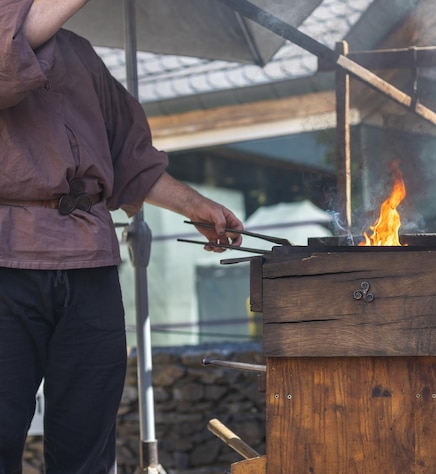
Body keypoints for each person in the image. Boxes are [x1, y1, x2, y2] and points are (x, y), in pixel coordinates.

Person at [0, 1, 244, 472]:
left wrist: (196, 206)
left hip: (89, 266)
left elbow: (131, 160)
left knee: (87, 442)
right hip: (9, 263)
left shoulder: (82, 56)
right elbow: (9, 47)